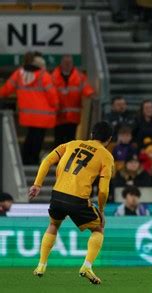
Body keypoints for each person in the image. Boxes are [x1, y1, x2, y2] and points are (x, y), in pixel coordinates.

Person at [28, 121, 114, 284]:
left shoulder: (71, 144)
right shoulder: (106, 156)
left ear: (91, 135)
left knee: (53, 224)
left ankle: (41, 265)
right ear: (109, 139)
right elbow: (103, 190)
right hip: (78, 199)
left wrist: (37, 184)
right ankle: (87, 266)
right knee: (98, 228)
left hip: (57, 195)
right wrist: (101, 210)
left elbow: (47, 160)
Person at [0, 52, 59, 165]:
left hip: (27, 116)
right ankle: (33, 161)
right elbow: (52, 95)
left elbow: (7, 89)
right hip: (43, 116)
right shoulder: (44, 75)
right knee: (37, 139)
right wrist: (56, 106)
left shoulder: (19, 74)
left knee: (30, 137)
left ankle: (25, 160)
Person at [52, 55, 95, 146]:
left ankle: (69, 159)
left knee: (71, 140)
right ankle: (58, 160)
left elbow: (86, 88)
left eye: (69, 62)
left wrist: (91, 94)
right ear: (61, 63)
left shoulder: (79, 77)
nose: (67, 64)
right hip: (58, 115)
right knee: (58, 141)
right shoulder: (53, 77)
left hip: (73, 117)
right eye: (65, 62)